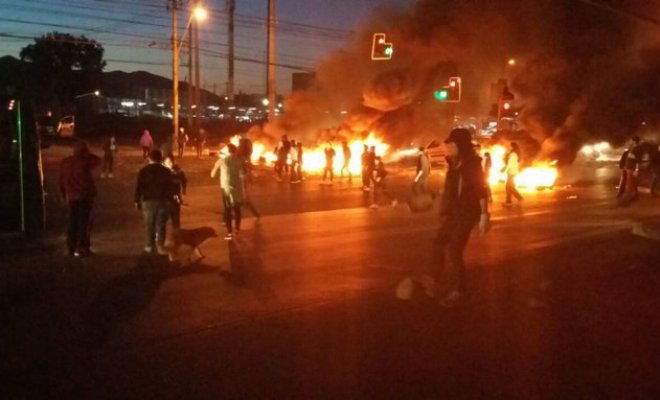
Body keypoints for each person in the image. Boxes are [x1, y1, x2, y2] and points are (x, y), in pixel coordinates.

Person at [426, 128, 490, 306]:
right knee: (438, 242)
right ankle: (433, 280)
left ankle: (459, 290)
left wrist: (484, 215)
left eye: (451, 143)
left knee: (454, 251)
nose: (447, 146)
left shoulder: (471, 164)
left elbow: (481, 190)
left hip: (466, 213)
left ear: (460, 145)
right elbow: (452, 188)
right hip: (453, 211)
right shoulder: (455, 163)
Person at [59, 141, 102, 257]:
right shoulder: (85, 161)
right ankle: (83, 247)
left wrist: (63, 195)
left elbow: (61, 181)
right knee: (84, 223)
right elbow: (98, 160)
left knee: (72, 223)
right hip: (85, 196)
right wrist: (87, 153)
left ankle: (70, 247)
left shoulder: (65, 162)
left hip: (71, 196)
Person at [135, 150, 173, 254]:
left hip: (148, 201)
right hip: (163, 201)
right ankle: (160, 246)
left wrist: (137, 200)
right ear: (160, 158)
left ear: (149, 158)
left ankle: (149, 245)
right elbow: (170, 187)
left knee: (149, 224)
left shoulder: (144, 171)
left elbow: (139, 187)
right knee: (161, 224)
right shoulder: (166, 171)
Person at [211, 143, 244, 240]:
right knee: (237, 209)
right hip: (237, 189)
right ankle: (237, 229)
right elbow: (242, 175)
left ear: (227, 151)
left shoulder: (222, 161)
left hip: (226, 190)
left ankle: (229, 232)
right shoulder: (239, 161)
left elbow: (212, 174)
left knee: (228, 210)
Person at [163, 155, 187, 233]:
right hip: (164, 199)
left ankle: (177, 235)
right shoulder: (161, 171)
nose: (171, 164)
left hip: (175, 198)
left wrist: (184, 190)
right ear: (164, 162)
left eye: (172, 161)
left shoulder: (178, 171)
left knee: (176, 218)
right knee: (163, 219)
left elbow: (184, 180)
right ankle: (160, 236)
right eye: (169, 162)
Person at [618, 136, 641, 203]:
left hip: (632, 169)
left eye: (631, 141)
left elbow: (638, 161)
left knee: (630, 183)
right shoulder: (632, 149)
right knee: (632, 183)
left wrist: (636, 169)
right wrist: (625, 166)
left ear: (634, 141)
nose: (630, 142)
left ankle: (629, 197)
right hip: (628, 168)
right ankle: (634, 196)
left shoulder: (637, 149)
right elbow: (629, 159)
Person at [503, 142, 523, 207]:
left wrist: (504, 170)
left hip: (511, 172)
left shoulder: (513, 154)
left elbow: (510, 164)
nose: (509, 147)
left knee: (509, 187)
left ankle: (518, 198)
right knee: (508, 187)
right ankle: (508, 201)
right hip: (511, 172)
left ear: (512, 147)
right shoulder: (514, 154)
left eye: (510, 146)